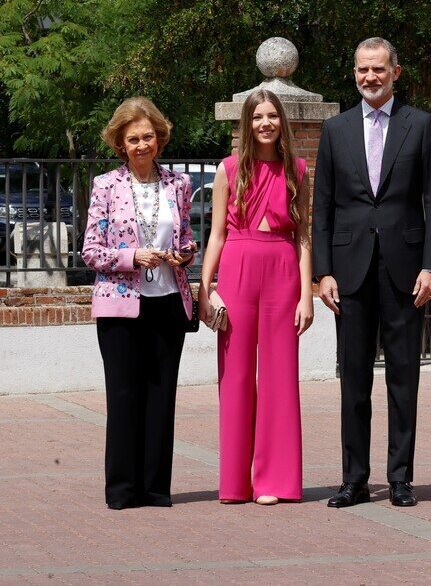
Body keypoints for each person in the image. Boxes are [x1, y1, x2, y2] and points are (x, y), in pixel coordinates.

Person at [313, 37, 431, 508]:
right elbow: (322, 207)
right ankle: (354, 479)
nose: (370, 77)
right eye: (362, 69)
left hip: (406, 270)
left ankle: (401, 478)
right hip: (349, 272)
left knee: (403, 376)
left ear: (396, 71)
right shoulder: (335, 129)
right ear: (354, 73)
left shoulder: (421, 125)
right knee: (353, 379)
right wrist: (322, 273)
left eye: (379, 69)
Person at [198, 89, 313, 505]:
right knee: (236, 376)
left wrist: (307, 295)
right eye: (258, 117)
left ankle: (275, 483)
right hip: (238, 268)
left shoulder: (297, 170)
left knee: (282, 376)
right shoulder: (228, 170)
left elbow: (303, 236)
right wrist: (204, 286)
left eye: (272, 116)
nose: (266, 123)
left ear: (282, 122)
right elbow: (216, 234)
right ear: (247, 123)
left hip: (283, 271)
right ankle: (234, 483)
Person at [83, 97, 197, 509]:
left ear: (159, 139)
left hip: (168, 300)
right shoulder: (105, 186)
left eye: (148, 136)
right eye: (133, 138)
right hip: (120, 305)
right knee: (124, 395)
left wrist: (186, 252)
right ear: (120, 143)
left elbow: (183, 237)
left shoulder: (179, 184)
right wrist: (133, 257)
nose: (142, 144)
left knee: (161, 394)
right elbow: (91, 252)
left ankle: (154, 488)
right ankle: (122, 489)